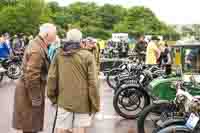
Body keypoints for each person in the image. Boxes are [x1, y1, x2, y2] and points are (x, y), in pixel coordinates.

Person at [47, 29, 100, 133]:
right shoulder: (87, 55)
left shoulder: (59, 54)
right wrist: (95, 103)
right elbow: (93, 82)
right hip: (83, 102)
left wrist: (52, 97)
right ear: (80, 40)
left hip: (63, 99)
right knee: (79, 129)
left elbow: (52, 77)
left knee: (61, 128)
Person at [12, 23, 57, 133]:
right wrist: (36, 98)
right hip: (29, 93)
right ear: (47, 34)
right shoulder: (37, 48)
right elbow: (31, 76)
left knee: (28, 125)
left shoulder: (38, 44)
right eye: (54, 34)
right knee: (29, 125)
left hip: (28, 91)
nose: (56, 36)